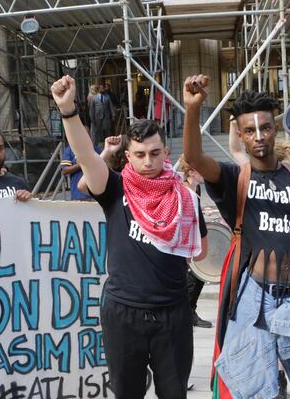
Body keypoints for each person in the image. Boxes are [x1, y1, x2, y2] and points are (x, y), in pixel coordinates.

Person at [182, 74, 290, 399]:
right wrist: (193, 109)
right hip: (254, 298)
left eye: (264, 127)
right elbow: (194, 158)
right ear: (241, 135)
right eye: (250, 130)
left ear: (275, 129)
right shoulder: (236, 177)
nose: (259, 136)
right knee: (254, 392)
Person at [51, 75, 207, 398]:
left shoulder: (184, 198)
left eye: (154, 153)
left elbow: (202, 254)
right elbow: (86, 157)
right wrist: (68, 110)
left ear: (166, 152)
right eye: (139, 154)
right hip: (123, 314)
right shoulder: (115, 188)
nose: (148, 162)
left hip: (173, 314)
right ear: (127, 157)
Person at [178, 155, 212, 329]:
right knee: (194, 278)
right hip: (186, 244)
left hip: (194, 241)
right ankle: (188, 313)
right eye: (200, 169)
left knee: (197, 278)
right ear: (191, 172)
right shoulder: (185, 190)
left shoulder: (196, 191)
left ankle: (190, 311)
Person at [60, 137, 101, 201]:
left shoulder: (96, 150)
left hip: (95, 195)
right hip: (78, 195)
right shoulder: (70, 150)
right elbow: (64, 171)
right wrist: (80, 165)